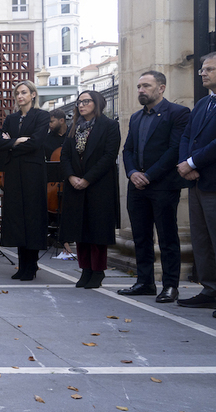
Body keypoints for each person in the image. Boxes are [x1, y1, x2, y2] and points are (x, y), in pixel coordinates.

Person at [116, 71, 189, 302]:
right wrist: (132, 173)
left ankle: (170, 286)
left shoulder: (178, 113)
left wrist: (148, 175)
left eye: (146, 86)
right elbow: (127, 150)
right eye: (138, 86)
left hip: (164, 186)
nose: (140, 90)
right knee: (141, 236)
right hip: (137, 187)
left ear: (161, 88)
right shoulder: (136, 118)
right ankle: (144, 282)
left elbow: (175, 149)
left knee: (167, 237)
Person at [59, 90, 121, 289]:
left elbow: (109, 156)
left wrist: (87, 179)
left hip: (98, 185)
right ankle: (85, 269)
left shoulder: (109, 126)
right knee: (80, 230)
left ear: (97, 103)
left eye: (86, 101)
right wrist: (71, 176)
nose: (81, 105)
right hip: (75, 185)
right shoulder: (73, 128)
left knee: (97, 231)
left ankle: (97, 271)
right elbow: (65, 156)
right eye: (79, 102)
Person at [0, 81, 50, 280]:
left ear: (33, 94)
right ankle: (22, 265)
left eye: (24, 92)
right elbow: (0, 142)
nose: (20, 96)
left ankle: (32, 265)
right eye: (17, 93)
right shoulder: (11, 118)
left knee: (33, 218)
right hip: (14, 174)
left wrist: (12, 143)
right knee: (17, 218)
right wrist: (17, 141)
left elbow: (36, 142)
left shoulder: (42, 116)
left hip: (33, 174)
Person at [177, 52, 216, 311]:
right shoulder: (203, 104)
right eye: (203, 69)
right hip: (197, 183)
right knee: (201, 240)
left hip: (213, 181)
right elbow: (186, 136)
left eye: (209, 69)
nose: (202, 72)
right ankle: (210, 288)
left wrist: (192, 163)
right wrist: (184, 165)